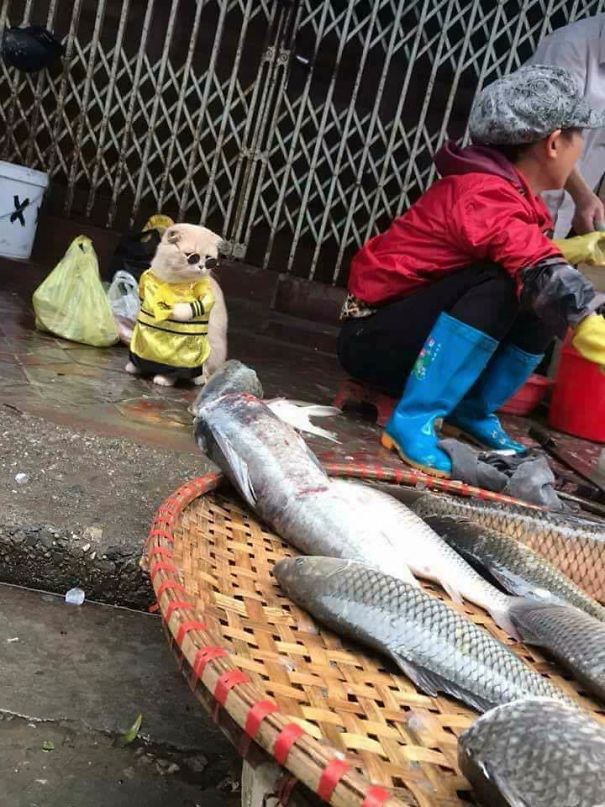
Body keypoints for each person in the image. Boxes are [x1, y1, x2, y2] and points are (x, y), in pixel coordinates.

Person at [337, 65, 605, 478]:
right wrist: (588, 320)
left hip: (406, 335)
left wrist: (577, 250)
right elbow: (528, 257)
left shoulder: (507, 193)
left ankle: (472, 408)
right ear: (554, 144)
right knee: (508, 283)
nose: (579, 151)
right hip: (371, 342)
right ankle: (412, 422)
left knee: (536, 288)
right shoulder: (481, 193)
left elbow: (525, 249)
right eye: (578, 139)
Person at [528, 15, 605, 236]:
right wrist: (582, 195)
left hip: (569, 217)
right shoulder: (567, 47)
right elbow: (545, 128)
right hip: (521, 201)